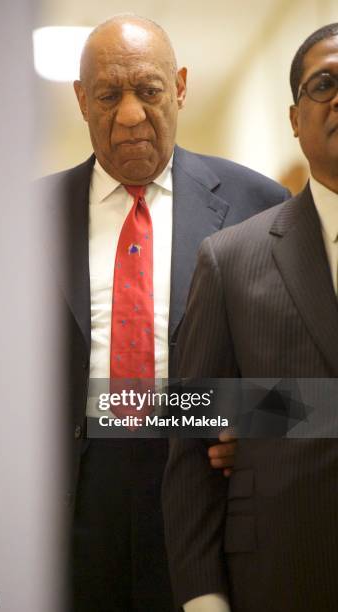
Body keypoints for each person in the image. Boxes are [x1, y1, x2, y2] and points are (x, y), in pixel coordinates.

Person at [42, 14, 290, 612]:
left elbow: (305, 372)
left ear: (179, 86)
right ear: (80, 100)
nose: (129, 115)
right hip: (70, 503)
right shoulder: (29, 217)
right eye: (108, 95)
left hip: (212, 499)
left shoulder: (261, 206)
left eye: (149, 91)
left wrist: (251, 428)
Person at [162, 23, 338, 612]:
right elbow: (190, 434)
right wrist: (203, 598)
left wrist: (270, 416)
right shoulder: (231, 257)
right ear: (294, 118)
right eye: (324, 84)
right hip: (284, 576)